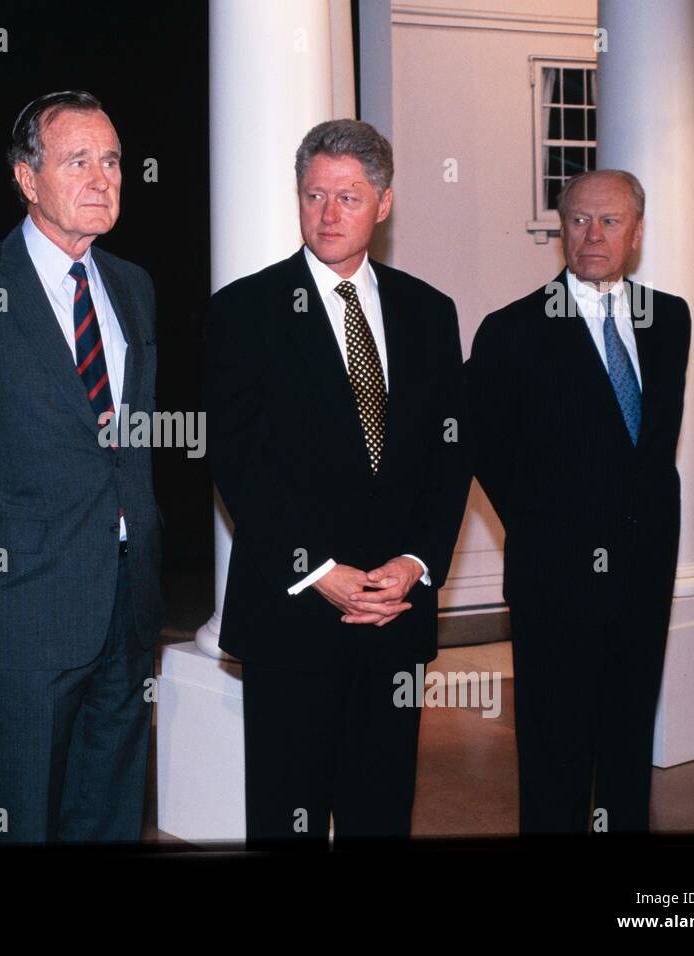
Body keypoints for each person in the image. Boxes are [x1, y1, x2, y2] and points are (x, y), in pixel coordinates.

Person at [0, 91, 163, 844]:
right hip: (15, 616)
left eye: (111, 160)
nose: (102, 177)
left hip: (128, 598)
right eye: (77, 160)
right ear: (27, 178)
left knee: (110, 814)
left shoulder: (133, 287)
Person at [204, 119, 470, 848]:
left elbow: (450, 458)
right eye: (314, 195)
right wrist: (317, 569)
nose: (327, 215)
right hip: (294, 618)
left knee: (381, 815)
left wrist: (416, 565)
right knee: (286, 817)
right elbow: (236, 460)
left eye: (347, 198)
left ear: (382, 204)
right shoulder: (244, 310)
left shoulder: (429, 312)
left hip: (395, 616)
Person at [466, 168, 690, 834]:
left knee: (627, 747)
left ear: (638, 232)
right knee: (554, 757)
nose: (592, 234)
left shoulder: (668, 319)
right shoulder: (511, 331)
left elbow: (650, 452)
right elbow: (484, 449)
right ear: (562, 229)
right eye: (578, 220)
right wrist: (544, 528)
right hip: (554, 580)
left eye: (610, 221)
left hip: (645, 575)